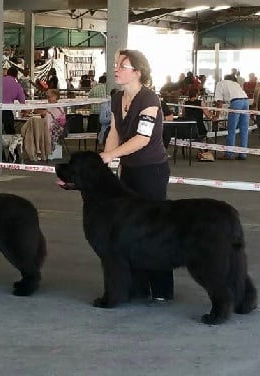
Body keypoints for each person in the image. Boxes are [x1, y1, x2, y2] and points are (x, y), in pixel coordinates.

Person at [100, 49, 173, 303]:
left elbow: (142, 138)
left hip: (151, 170)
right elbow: (114, 132)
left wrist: (112, 156)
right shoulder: (116, 98)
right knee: (131, 229)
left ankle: (162, 289)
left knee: (155, 229)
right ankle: (138, 286)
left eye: (123, 65)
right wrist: (106, 161)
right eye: (116, 64)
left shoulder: (150, 99)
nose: (116, 69)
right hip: (128, 170)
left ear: (138, 72)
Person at [213, 74, 250, 160]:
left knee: (231, 129)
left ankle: (229, 153)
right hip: (245, 101)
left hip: (236, 102)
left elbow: (219, 102)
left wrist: (217, 115)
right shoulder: (235, 84)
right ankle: (243, 154)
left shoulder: (220, 83)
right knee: (244, 129)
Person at [38, 89, 65, 153]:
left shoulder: (58, 107)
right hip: (51, 128)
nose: (48, 99)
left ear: (55, 96)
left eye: (50, 97)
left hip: (55, 129)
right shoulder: (50, 106)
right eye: (47, 97)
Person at [2, 66, 26, 135]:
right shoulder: (17, 86)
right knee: (10, 132)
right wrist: (24, 110)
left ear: (7, 73)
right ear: (16, 75)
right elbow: (22, 100)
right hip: (6, 111)